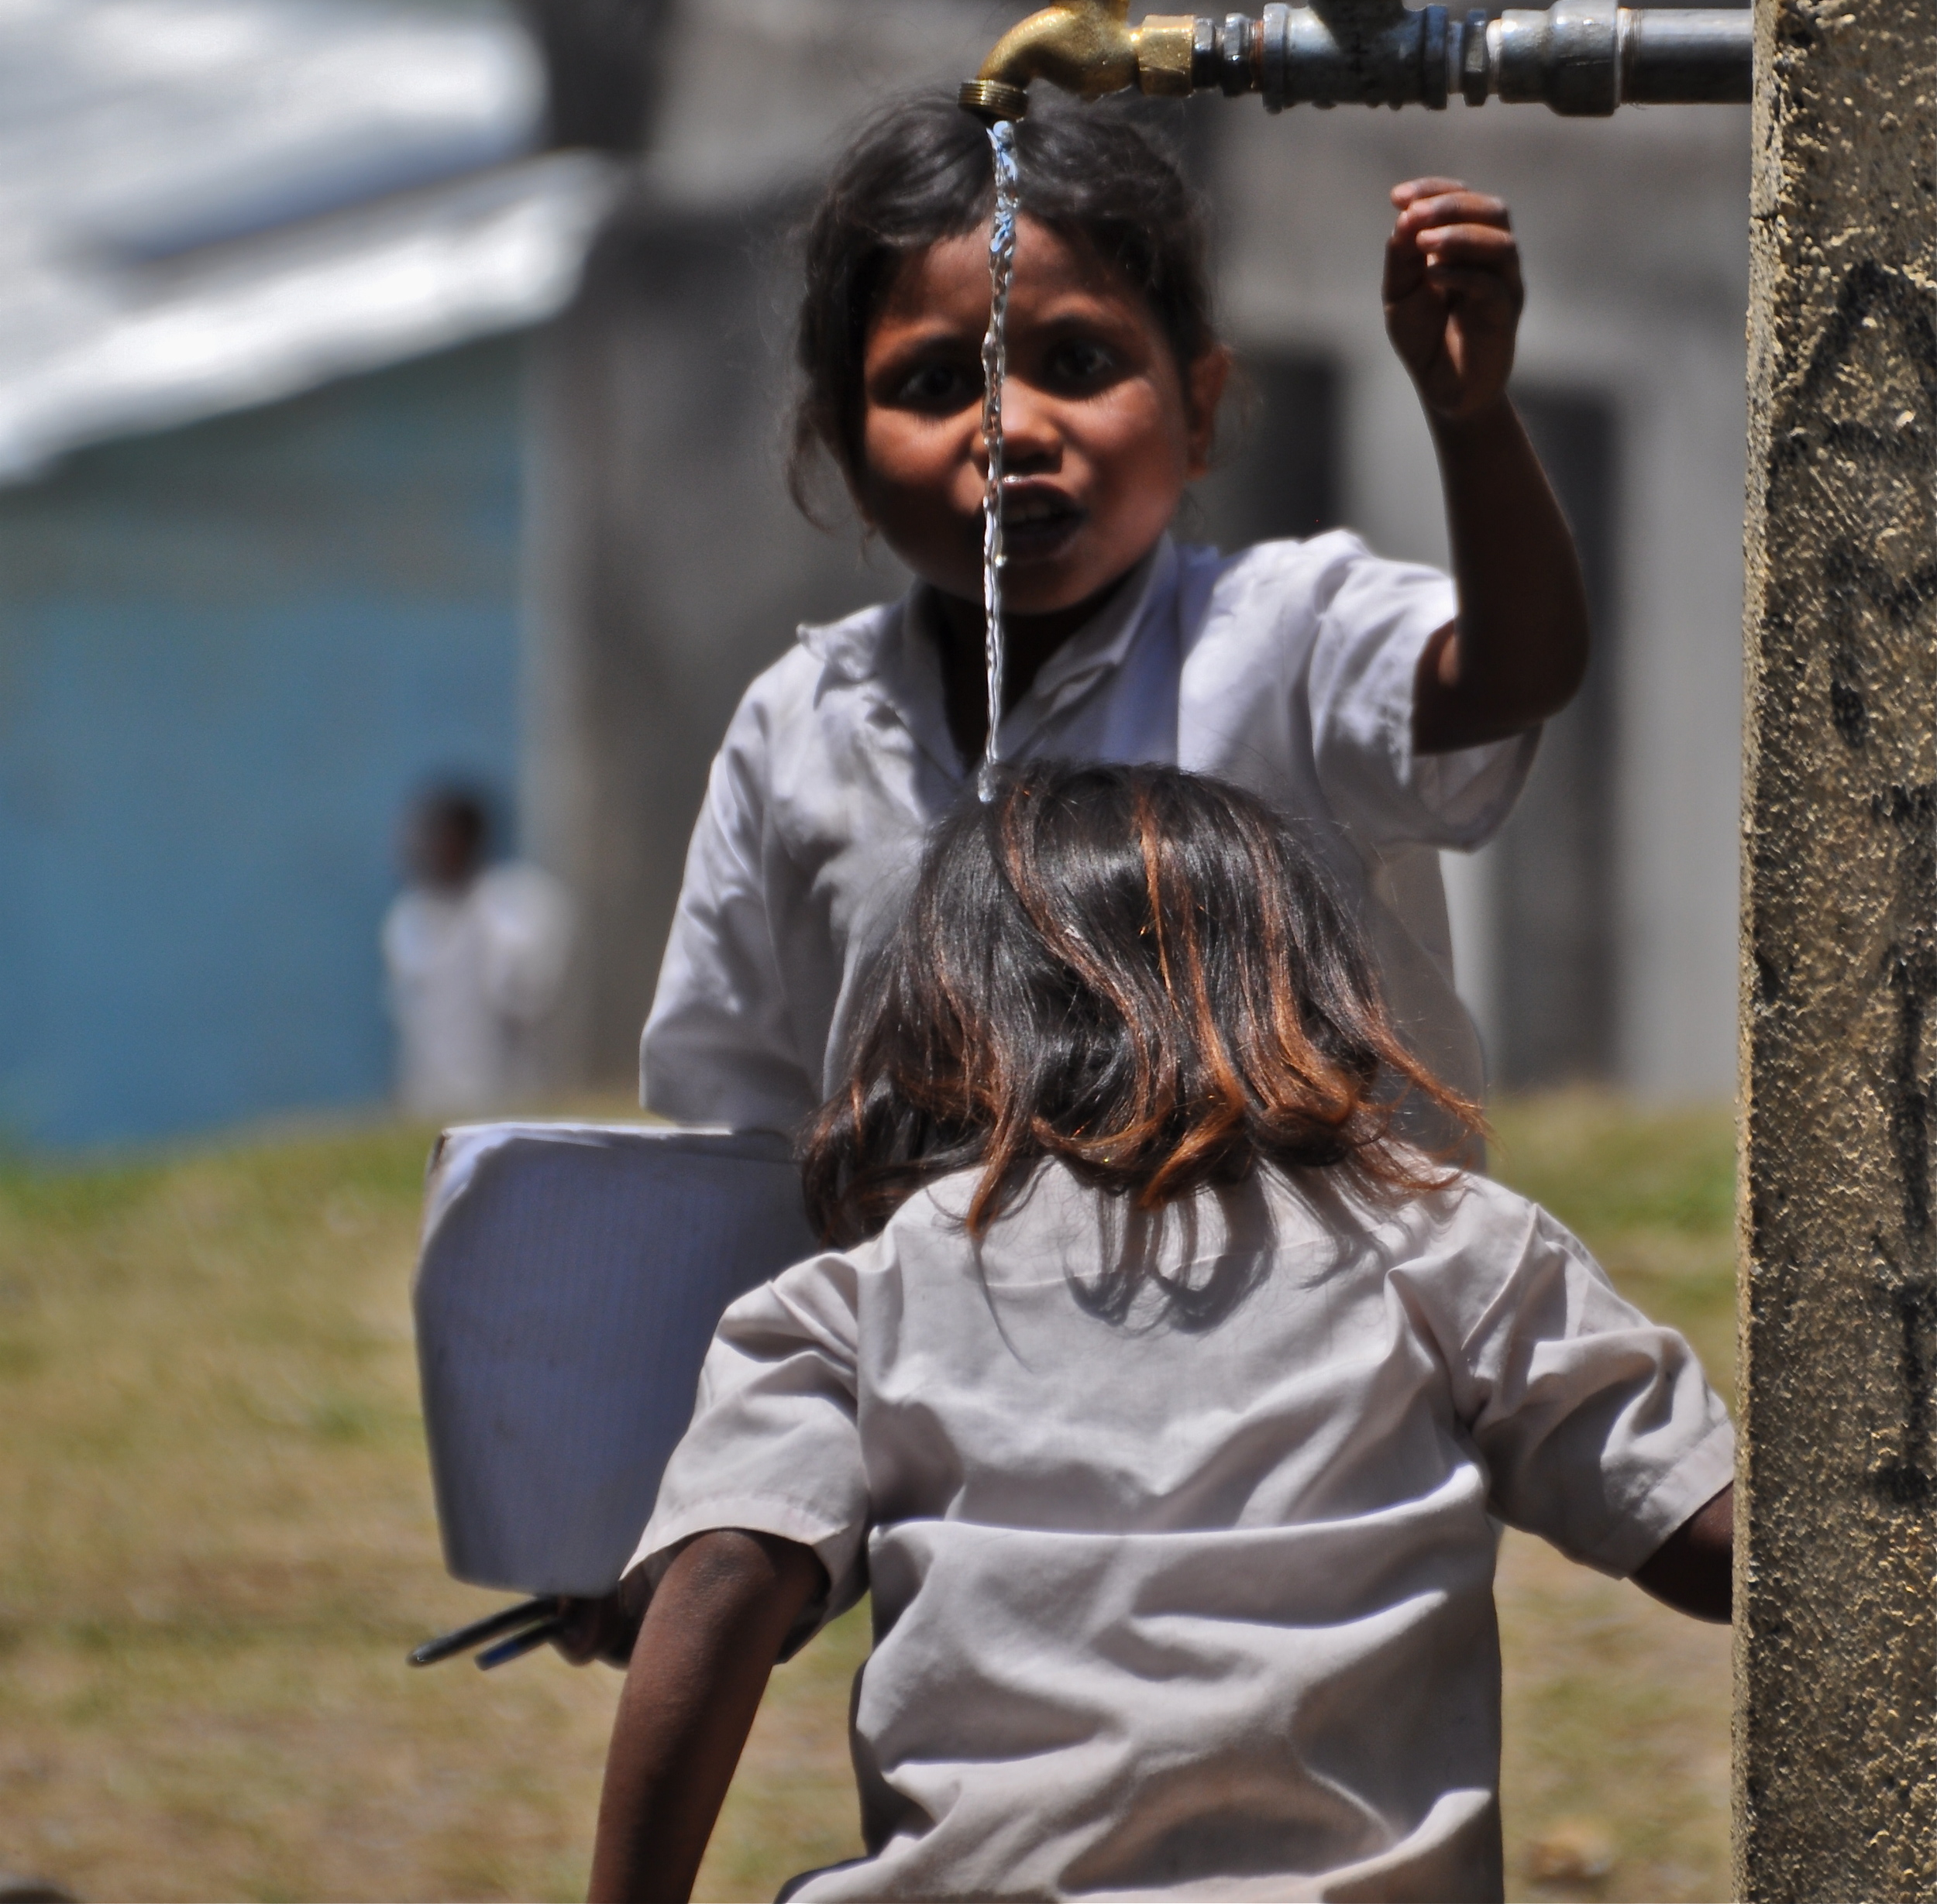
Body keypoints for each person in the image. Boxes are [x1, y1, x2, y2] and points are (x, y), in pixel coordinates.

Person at [577, 765, 1733, 1902]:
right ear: (1308, 985)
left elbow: (730, 1568)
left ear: (946, 1008)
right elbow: (1706, 1535)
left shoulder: (870, 1294)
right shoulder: (1449, 1246)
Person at [642, 94, 1590, 1131]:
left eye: (1079, 364)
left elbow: (1515, 675)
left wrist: (1472, 418)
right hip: (935, 1296)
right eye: (938, 382)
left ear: (1199, 409)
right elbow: (728, 1105)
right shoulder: (804, 728)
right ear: (847, 455)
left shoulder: (1283, 637)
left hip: (1314, 1289)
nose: (1011, 428)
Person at [382, 783, 574, 1118]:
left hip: (507, 1099)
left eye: (441, 838)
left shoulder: (515, 906)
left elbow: (527, 997)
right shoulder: (408, 918)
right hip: (427, 1100)